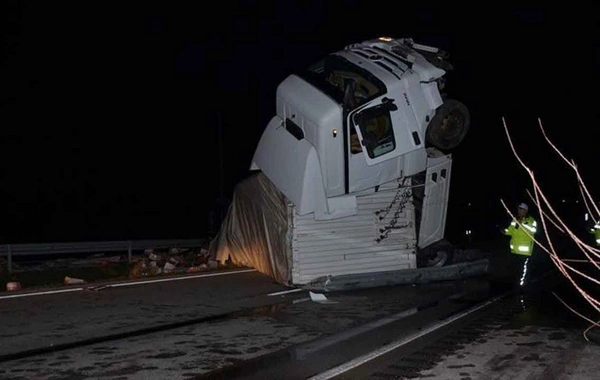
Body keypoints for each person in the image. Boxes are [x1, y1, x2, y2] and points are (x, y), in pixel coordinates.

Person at [503, 203, 537, 287]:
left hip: (525, 252)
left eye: (522, 209)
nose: (519, 211)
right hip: (514, 251)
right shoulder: (515, 220)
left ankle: (522, 287)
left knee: (523, 271)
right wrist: (504, 231)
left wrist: (522, 224)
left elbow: (533, 231)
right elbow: (510, 231)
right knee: (516, 270)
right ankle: (516, 285)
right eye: (519, 209)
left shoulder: (531, 221)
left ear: (526, 211)